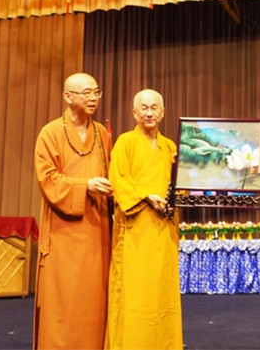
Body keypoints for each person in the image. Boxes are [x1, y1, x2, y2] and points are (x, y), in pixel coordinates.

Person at [33, 73, 113, 350]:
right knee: (64, 298)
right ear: (68, 97)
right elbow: (47, 180)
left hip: (96, 229)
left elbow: (111, 174)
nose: (93, 98)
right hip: (64, 230)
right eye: (86, 93)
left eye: (96, 92)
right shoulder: (51, 133)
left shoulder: (101, 134)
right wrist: (85, 185)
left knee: (93, 298)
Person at [105, 89, 182, 350]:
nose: (149, 113)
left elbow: (178, 185)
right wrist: (146, 197)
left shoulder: (170, 147)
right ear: (134, 112)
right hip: (135, 231)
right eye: (144, 108)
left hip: (164, 230)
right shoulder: (125, 142)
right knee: (134, 294)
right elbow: (118, 180)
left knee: (162, 293)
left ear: (163, 112)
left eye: (154, 108)